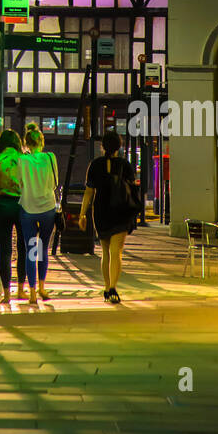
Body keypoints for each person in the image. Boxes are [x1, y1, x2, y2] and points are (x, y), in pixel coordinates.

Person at [79, 130, 139, 304]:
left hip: (101, 211)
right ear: (119, 147)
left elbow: (89, 192)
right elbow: (132, 190)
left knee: (105, 252)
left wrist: (82, 214)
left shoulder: (95, 165)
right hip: (120, 211)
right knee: (117, 252)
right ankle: (113, 287)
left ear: (102, 146)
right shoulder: (125, 165)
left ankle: (106, 287)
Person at [17, 122, 58, 308]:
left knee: (30, 250)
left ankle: (32, 292)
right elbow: (55, 183)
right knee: (43, 249)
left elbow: (19, 184)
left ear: (26, 143)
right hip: (48, 208)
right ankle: (42, 287)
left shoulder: (22, 160)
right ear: (42, 141)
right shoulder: (50, 158)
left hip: (28, 208)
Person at [0, 128, 27, 304]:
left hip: (2, 204)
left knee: (4, 251)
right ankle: (20, 289)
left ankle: (6, 294)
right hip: (21, 205)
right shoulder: (24, 159)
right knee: (23, 249)